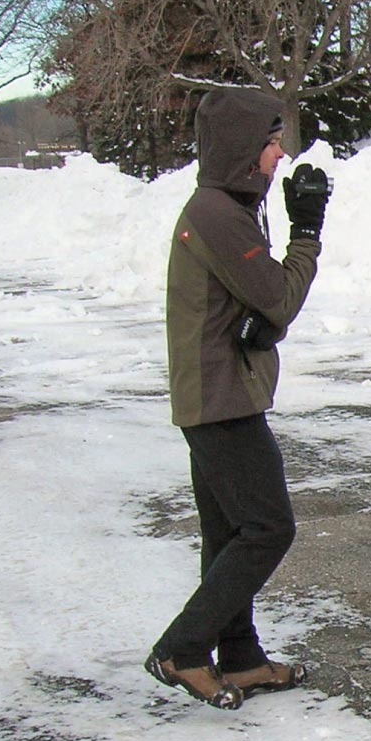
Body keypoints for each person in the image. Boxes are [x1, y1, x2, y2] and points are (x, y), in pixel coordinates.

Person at [145, 87, 331, 709]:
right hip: (219, 400)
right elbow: (277, 295)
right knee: (268, 527)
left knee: (228, 535)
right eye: (271, 142)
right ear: (242, 150)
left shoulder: (228, 207)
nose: (280, 153)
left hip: (218, 392)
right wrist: (307, 233)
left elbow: (254, 302)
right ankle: (184, 647)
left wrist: (264, 317)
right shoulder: (218, 213)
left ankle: (241, 656)